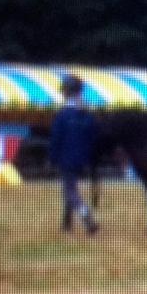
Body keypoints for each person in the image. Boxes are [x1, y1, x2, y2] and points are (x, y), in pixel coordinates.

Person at [48, 74, 98, 235]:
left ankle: (85, 214)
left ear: (66, 92)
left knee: (70, 190)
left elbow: (56, 138)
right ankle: (66, 222)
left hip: (66, 157)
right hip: (83, 159)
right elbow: (93, 137)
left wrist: (52, 158)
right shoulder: (88, 115)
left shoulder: (63, 115)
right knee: (70, 186)